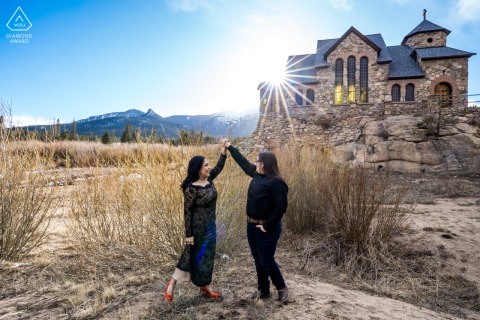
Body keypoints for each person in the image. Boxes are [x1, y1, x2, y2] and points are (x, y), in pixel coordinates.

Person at [222, 139, 289, 303]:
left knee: (266, 259)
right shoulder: (256, 174)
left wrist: (267, 225)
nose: (255, 162)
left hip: (267, 228)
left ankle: (281, 288)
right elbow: (243, 162)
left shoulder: (276, 183)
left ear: (265, 164)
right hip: (251, 225)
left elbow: (281, 207)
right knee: (258, 259)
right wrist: (230, 147)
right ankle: (263, 291)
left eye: (258, 160)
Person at [164, 143, 227, 302]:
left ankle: (205, 286)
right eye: (206, 165)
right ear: (198, 169)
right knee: (190, 256)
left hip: (211, 228)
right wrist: (189, 235)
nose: (209, 167)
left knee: (207, 258)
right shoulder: (191, 189)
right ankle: (171, 285)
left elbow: (219, 167)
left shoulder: (209, 180)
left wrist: (223, 152)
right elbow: (187, 212)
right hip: (197, 231)